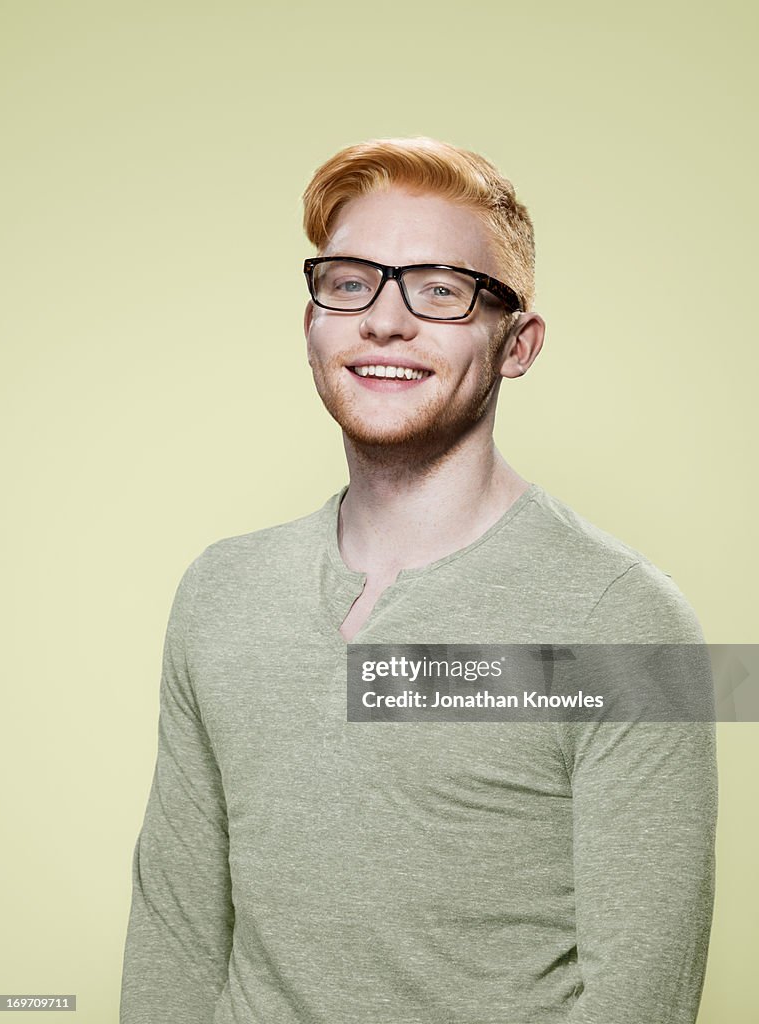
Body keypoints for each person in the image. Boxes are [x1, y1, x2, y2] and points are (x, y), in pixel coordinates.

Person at [119, 137, 717, 1024]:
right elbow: (174, 939)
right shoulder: (219, 591)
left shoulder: (628, 621)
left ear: (517, 344)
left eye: (440, 290)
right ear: (312, 323)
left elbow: (643, 999)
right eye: (352, 282)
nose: (385, 322)